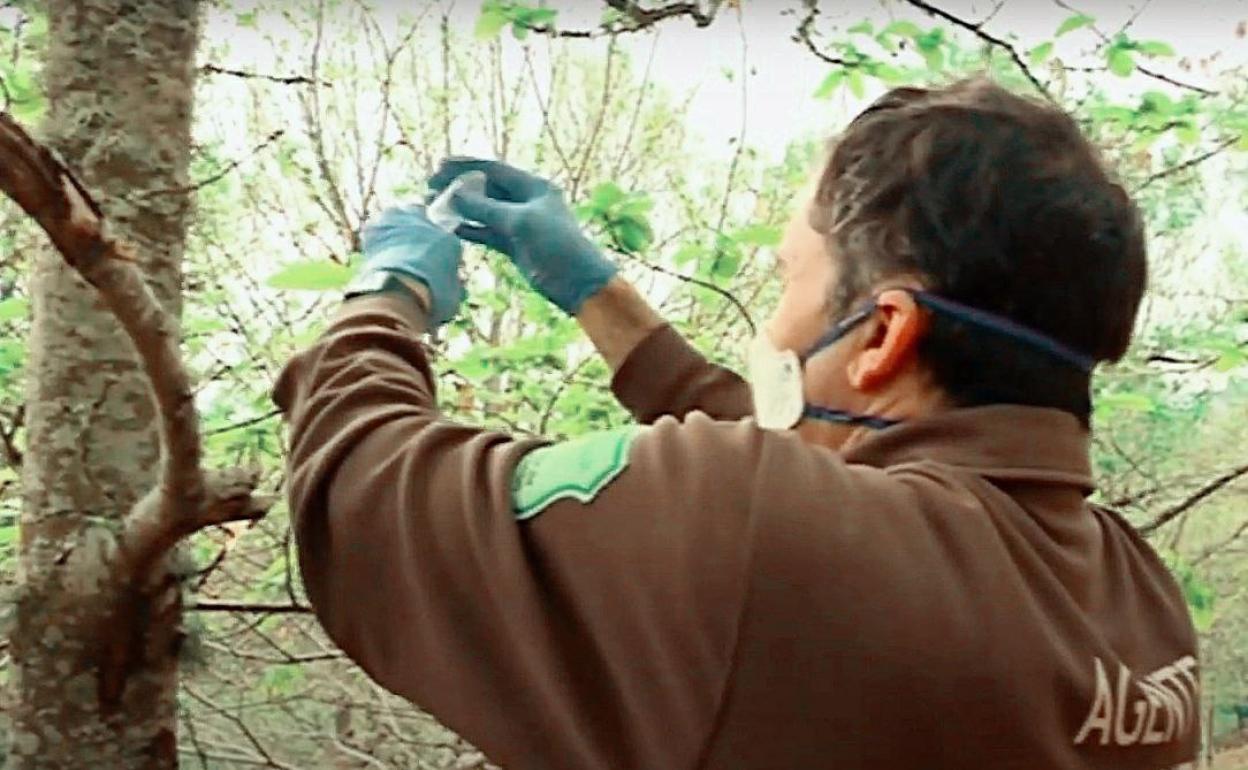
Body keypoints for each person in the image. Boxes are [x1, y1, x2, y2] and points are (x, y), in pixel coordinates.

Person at [273, 78, 1200, 770]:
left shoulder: (762, 533)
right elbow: (833, 516)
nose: (777, 322)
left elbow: (371, 493)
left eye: (791, 279)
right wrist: (601, 299)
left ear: (884, 335)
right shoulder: (1135, 601)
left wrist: (387, 298)